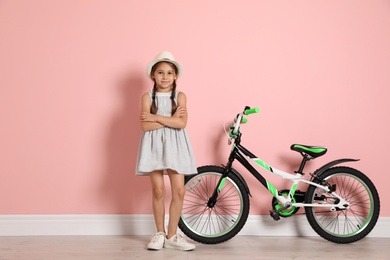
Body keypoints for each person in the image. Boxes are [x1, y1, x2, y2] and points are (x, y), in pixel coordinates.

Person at [136, 51, 197, 251]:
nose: (165, 77)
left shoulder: (180, 96)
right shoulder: (147, 97)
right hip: (153, 146)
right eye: (160, 72)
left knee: (179, 190)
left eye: (169, 73)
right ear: (153, 75)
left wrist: (155, 117)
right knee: (158, 190)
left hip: (176, 146)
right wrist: (170, 120)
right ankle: (160, 233)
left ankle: (172, 235)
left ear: (175, 76)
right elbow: (145, 126)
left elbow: (182, 123)